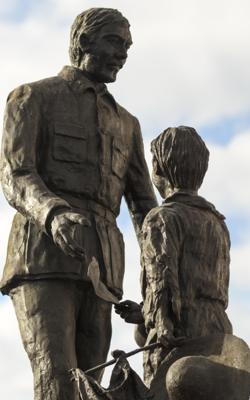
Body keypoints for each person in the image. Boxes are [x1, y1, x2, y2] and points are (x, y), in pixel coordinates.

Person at [0, 8, 157, 400]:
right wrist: (52, 214)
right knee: (58, 380)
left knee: (91, 384)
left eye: (128, 47)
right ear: (84, 41)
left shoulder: (127, 123)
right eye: (115, 42)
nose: (123, 54)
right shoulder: (34, 96)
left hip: (102, 271)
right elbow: (15, 174)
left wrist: (158, 290)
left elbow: (145, 212)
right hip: (42, 258)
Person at [115, 126, 232, 389]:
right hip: (217, 334)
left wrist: (156, 321)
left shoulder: (160, 218)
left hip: (177, 338)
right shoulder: (217, 223)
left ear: (156, 168)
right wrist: (143, 313)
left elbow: (162, 285)